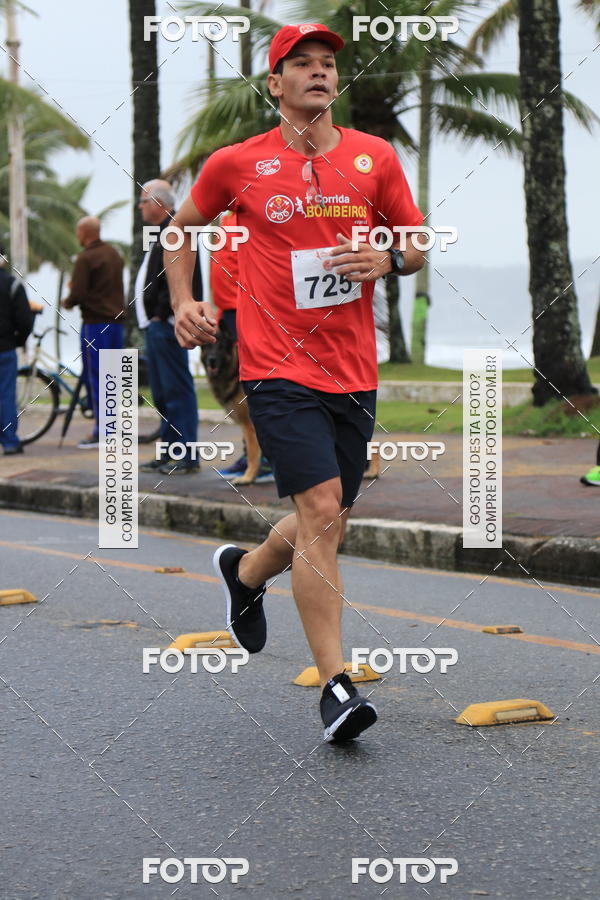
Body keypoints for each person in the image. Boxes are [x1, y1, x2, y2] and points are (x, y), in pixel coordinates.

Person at [165, 24, 425, 741]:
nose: (317, 73)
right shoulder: (236, 164)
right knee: (319, 507)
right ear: (274, 84)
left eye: (327, 64)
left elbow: (415, 240)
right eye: (300, 65)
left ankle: (246, 574)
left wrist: (391, 262)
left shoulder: (375, 159)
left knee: (329, 517)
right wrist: (185, 301)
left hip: (352, 372)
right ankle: (335, 687)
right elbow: (179, 229)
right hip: (276, 367)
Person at [135, 179, 201, 475]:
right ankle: (169, 451)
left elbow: (180, 275)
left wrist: (163, 313)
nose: (140, 207)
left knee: (176, 390)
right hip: (155, 325)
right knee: (162, 393)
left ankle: (186, 455)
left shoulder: (176, 231)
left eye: (144, 201)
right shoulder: (161, 232)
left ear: (161, 203)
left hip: (167, 325)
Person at [210, 210, 274, 484]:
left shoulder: (255, 215)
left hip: (248, 310)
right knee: (239, 394)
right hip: (228, 313)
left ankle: (266, 460)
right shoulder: (226, 220)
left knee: (256, 388)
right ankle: (251, 455)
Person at [62, 217, 125, 449]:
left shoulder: (86, 258)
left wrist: (68, 300)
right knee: (113, 377)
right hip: (116, 324)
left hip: (96, 324)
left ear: (84, 232)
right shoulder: (114, 254)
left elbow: (78, 292)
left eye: (78, 232)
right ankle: (114, 428)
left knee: (97, 377)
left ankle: (103, 431)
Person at [0, 247, 34, 455]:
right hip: (5, 349)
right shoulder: (12, 284)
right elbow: (25, 320)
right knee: (6, 396)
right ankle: (10, 442)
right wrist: (17, 340)